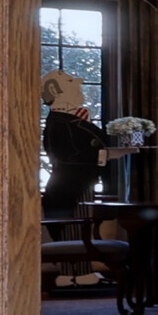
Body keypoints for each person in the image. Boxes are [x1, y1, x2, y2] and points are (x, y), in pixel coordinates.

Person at [39, 71, 105, 216]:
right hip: (68, 193)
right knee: (74, 235)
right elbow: (64, 156)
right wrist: (103, 155)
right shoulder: (59, 123)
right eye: (70, 82)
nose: (78, 87)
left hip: (80, 189)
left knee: (83, 233)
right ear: (53, 91)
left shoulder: (74, 119)